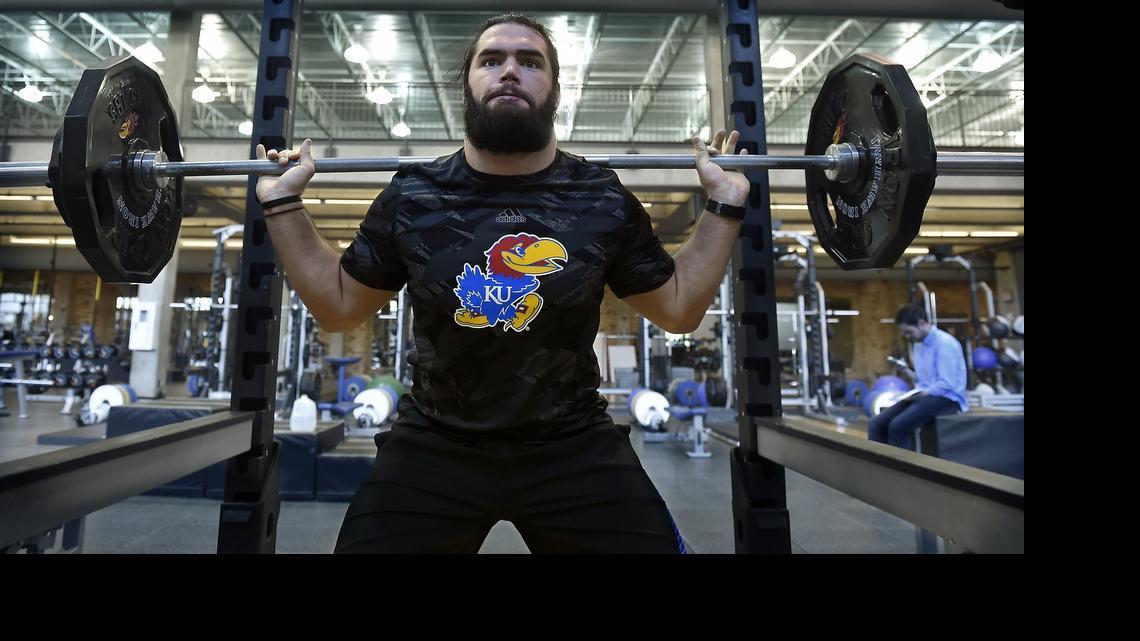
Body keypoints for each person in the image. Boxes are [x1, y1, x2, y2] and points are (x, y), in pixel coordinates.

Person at [253, 13, 749, 553]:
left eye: (529, 62)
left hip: (572, 442)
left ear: (554, 89)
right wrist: (281, 204)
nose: (509, 71)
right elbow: (339, 308)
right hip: (436, 444)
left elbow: (677, 310)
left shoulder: (602, 197)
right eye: (491, 60)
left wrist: (723, 204)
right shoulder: (414, 197)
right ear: (467, 83)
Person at [868, 303, 968, 451]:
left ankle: (900, 471)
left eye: (909, 332)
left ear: (922, 323)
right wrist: (907, 371)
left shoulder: (945, 344)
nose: (907, 337)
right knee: (876, 423)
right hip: (926, 395)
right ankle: (878, 467)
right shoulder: (918, 345)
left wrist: (922, 393)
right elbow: (922, 381)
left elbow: (947, 384)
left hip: (948, 399)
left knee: (898, 426)